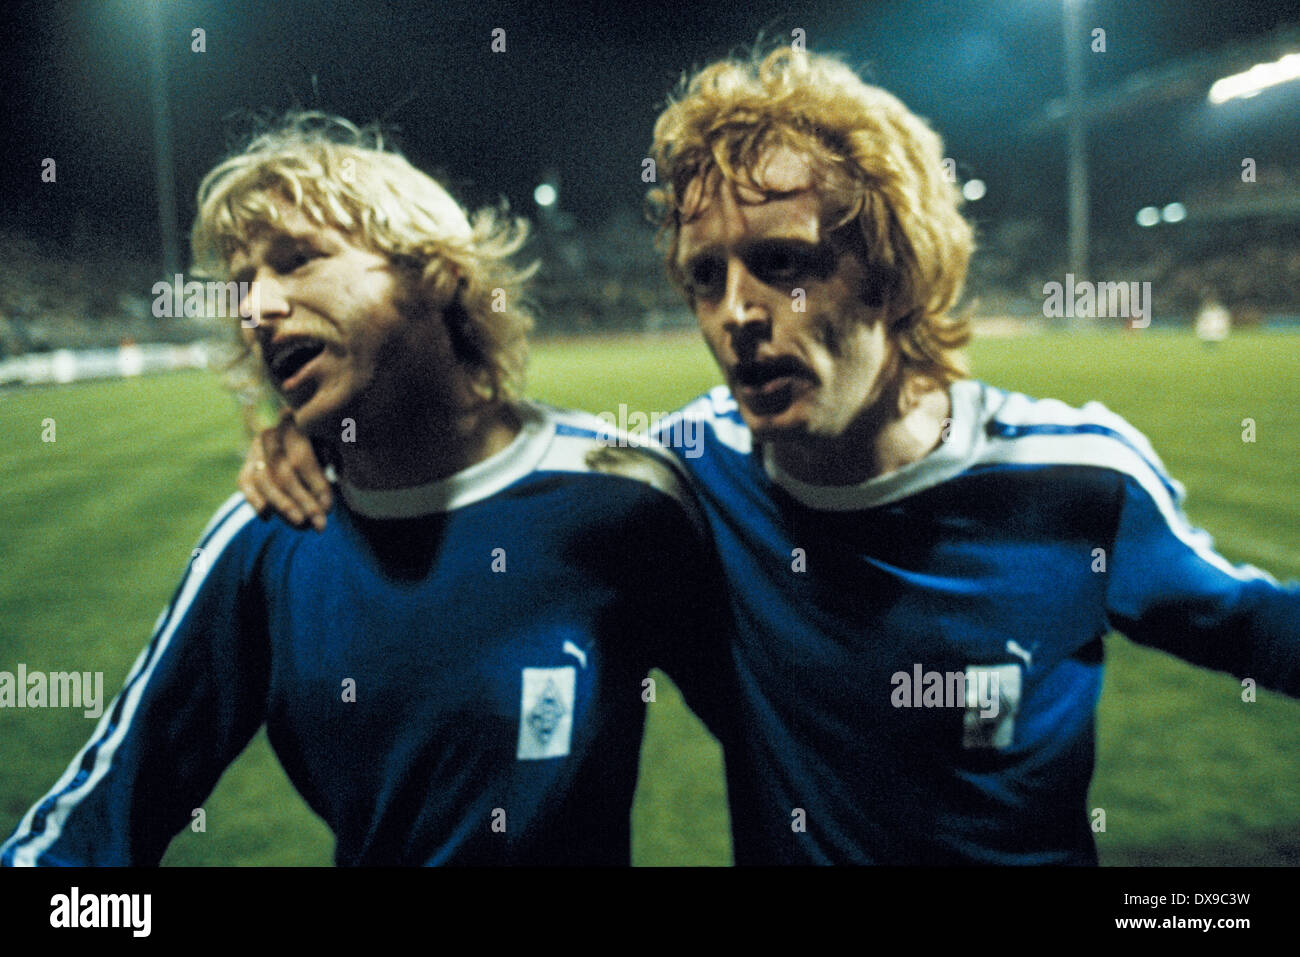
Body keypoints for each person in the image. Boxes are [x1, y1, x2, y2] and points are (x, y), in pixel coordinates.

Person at [239, 50, 1300, 865]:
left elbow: (1250, 624)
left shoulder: (1075, 480)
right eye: (705, 278)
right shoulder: (685, 485)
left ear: (889, 272)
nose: (737, 313)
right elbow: (494, 476)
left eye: (783, 264)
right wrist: (333, 429)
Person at [1, 114, 727, 867]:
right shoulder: (266, 537)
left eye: (299, 259)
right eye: (244, 286)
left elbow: (783, 733)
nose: (258, 308)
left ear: (436, 273)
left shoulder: (626, 499)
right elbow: (87, 832)